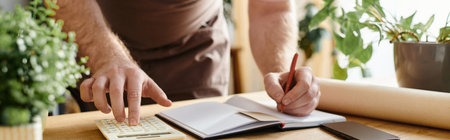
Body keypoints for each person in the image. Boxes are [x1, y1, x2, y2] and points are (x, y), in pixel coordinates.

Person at [55, 0, 321, 126]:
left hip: (195, 50)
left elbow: (271, 9)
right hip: (96, 39)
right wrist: (107, 56)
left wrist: (281, 71)